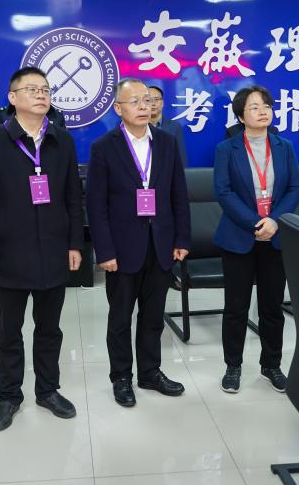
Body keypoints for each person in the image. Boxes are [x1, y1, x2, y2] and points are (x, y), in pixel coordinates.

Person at [0, 66, 84, 431]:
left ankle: (48, 390)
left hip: (54, 250)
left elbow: (73, 197)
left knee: (50, 329)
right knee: (9, 332)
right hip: (8, 253)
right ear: (12, 97)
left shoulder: (62, 141)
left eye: (45, 89)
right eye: (31, 89)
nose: (40, 94)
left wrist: (75, 243)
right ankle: (9, 395)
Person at [86, 78, 191, 407]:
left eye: (148, 100)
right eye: (136, 102)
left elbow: (179, 194)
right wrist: (104, 251)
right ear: (118, 108)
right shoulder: (104, 147)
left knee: (153, 316)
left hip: (161, 244)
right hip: (122, 248)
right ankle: (121, 377)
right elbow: (96, 205)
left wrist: (181, 238)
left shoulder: (166, 142)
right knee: (120, 318)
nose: (145, 106)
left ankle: (150, 372)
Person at [213, 85, 299, 394]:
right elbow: (223, 192)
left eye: (266, 105)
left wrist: (274, 221)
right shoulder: (226, 149)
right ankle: (233, 366)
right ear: (240, 116)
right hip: (239, 237)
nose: (263, 111)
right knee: (235, 308)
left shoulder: (284, 146)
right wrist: (256, 223)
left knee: (272, 306)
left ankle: (271, 365)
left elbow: (295, 188)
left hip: (275, 238)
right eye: (254, 107)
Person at [147, 85, 187, 167]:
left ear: (162, 103)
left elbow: (180, 157)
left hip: (168, 172)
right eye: (149, 100)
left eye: (156, 99)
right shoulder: (137, 127)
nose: (153, 103)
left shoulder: (174, 127)